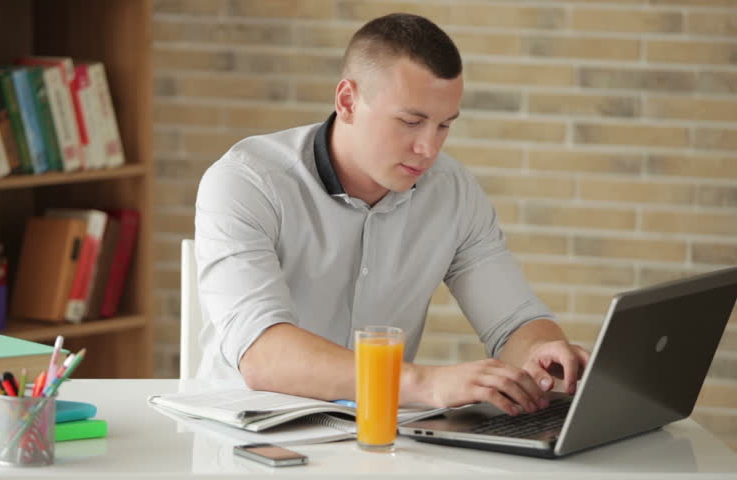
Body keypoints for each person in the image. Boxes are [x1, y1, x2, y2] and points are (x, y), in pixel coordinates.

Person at [194, 13, 589, 416]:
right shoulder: (246, 182)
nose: (428, 149)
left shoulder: (453, 192)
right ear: (348, 101)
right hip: (249, 436)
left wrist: (542, 353)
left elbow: (514, 320)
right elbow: (263, 354)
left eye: (443, 126)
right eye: (411, 122)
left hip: (379, 437)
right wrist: (427, 382)